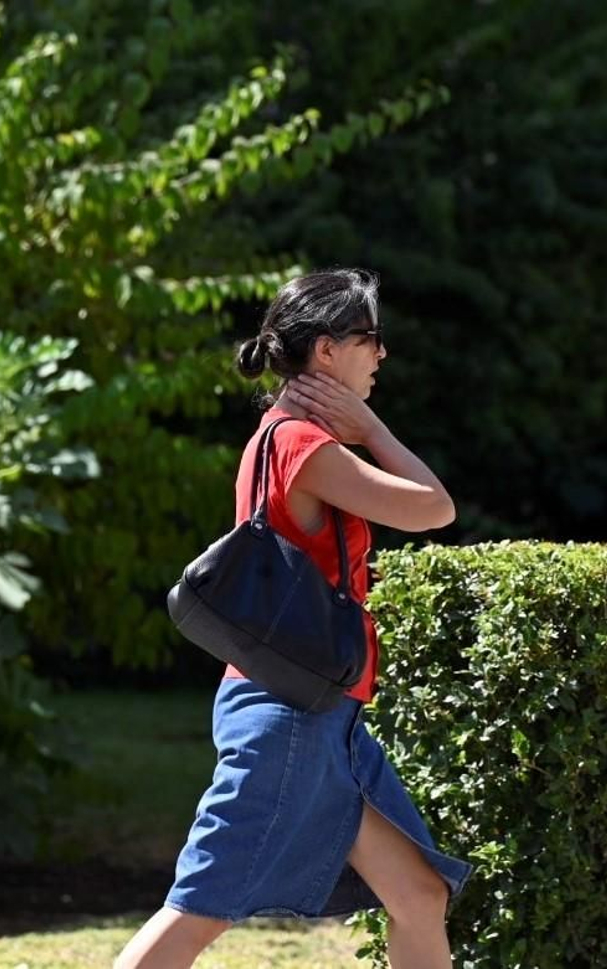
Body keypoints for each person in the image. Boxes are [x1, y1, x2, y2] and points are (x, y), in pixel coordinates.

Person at [115, 269, 471, 969]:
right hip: (285, 714)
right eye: (371, 337)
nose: (381, 354)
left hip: (321, 710)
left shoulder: (278, 437)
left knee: (420, 893)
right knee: (198, 908)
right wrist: (368, 426)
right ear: (328, 351)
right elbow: (434, 507)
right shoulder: (304, 447)